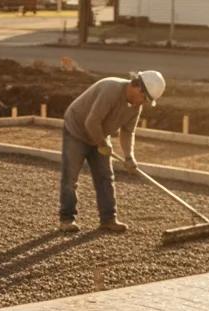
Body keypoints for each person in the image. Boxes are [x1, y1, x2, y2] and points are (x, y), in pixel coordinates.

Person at [58, 70, 165, 234]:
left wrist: (129, 156)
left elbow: (128, 132)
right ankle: (67, 219)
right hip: (77, 130)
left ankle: (108, 219)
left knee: (105, 177)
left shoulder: (135, 107)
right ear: (137, 87)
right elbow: (91, 122)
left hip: (99, 133)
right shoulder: (111, 90)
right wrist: (102, 144)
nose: (144, 103)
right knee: (70, 177)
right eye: (145, 98)